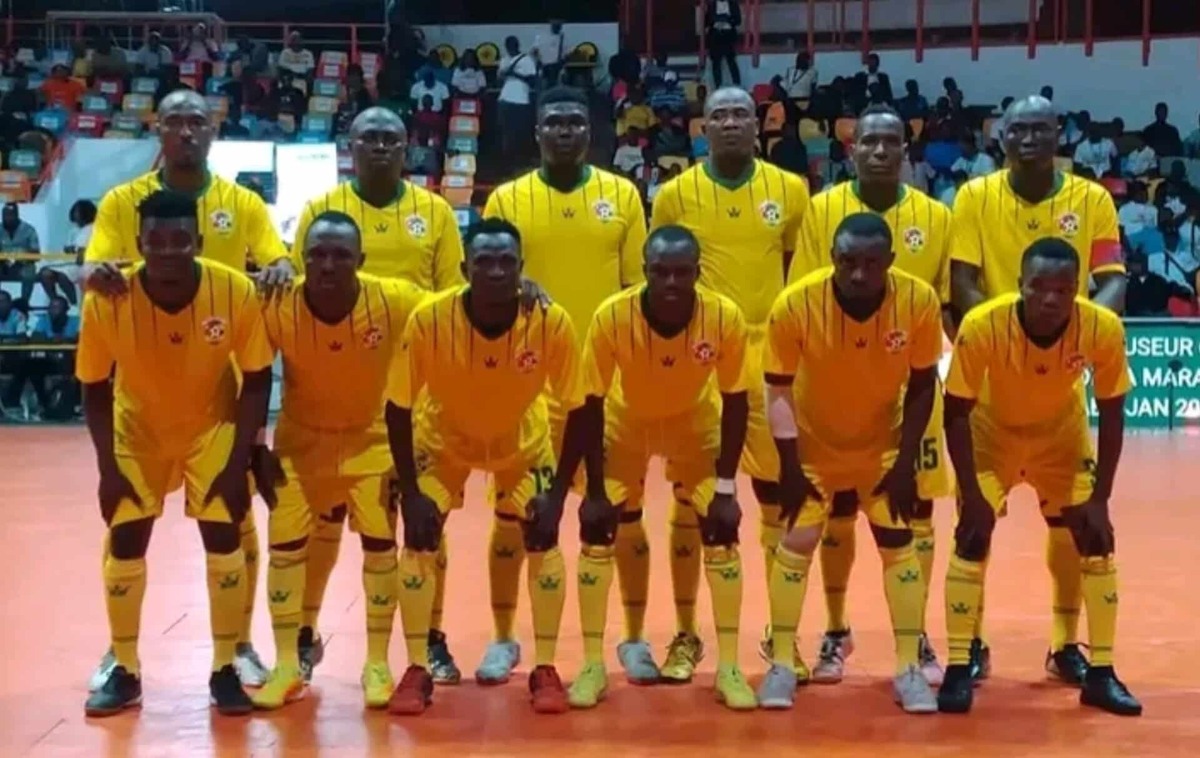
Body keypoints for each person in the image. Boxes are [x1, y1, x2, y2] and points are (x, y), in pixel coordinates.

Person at [82, 89, 294, 693]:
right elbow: (98, 271)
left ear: (212, 129)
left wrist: (280, 266)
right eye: (174, 121)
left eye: (196, 121)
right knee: (127, 527)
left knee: (232, 522)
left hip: (219, 391)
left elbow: (275, 262)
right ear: (158, 127)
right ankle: (121, 657)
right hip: (144, 390)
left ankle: (237, 647)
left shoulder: (241, 206)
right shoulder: (124, 204)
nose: (185, 131)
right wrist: (94, 273)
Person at [949, 94, 1126, 687]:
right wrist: (1011, 343)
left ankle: (1064, 644)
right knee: (975, 523)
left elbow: (1112, 284)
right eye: (1016, 129)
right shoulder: (974, 196)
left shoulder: (1092, 199)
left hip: (1059, 396)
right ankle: (969, 644)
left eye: (1040, 128)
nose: (1028, 138)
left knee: (1072, 525)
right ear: (1001, 137)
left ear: (1059, 135)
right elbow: (963, 285)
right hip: (992, 387)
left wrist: (1068, 336)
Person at [385, 218, 592, 715]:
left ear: (522, 268)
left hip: (521, 445)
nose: (496, 271)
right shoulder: (430, 320)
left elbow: (580, 407)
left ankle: (544, 666)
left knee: (541, 535)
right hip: (445, 443)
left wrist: (560, 493)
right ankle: (416, 667)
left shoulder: (550, 321)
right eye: (484, 262)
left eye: (506, 262)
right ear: (464, 269)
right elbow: (398, 406)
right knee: (419, 536)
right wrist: (410, 492)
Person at [288, 107, 464, 684]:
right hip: (329, 395)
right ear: (351, 146)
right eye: (370, 138)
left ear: (408, 147)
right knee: (322, 524)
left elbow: (450, 304)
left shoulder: (434, 212)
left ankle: (429, 636)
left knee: (421, 524)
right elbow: (295, 297)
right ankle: (304, 634)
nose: (382, 148)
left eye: (392, 139)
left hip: (411, 400)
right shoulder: (322, 212)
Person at [481, 86, 649, 683]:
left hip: (606, 388)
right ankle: (503, 638)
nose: (564, 132)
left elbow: (636, 292)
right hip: (528, 388)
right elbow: (488, 279)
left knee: (621, 516)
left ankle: (631, 639)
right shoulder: (507, 199)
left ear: (591, 132)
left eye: (575, 122)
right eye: (553, 122)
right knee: (514, 516)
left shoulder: (623, 195)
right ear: (537, 134)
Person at [939, 238, 1142, 717]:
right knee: (971, 537)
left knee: (1093, 538)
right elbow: (955, 411)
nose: (1050, 299)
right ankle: (958, 662)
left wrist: (1102, 497)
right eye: (1039, 287)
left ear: (1078, 291)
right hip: (992, 435)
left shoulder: (1102, 327)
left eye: (1063, 289)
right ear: (1019, 285)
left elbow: (1113, 413)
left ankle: (1100, 671)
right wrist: (971, 493)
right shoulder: (983, 324)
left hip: (1061, 438)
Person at [786, 104, 952, 687]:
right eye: (869, 143)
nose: (880, 151)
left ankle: (918, 635)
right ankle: (835, 630)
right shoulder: (822, 210)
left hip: (909, 383)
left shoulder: (935, 215)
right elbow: (808, 298)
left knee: (917, 508)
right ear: (851, 150)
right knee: (837, 509)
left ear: (906, 151)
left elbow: (942, 301)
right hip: (834, 383)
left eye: (891, 142)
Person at [650, 86, 809, 683]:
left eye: (742, 112)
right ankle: (687, 634)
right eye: (719, 114)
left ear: (759, 123)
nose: (731, 122)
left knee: (776, 497)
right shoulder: (674, 195)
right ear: (703, 127)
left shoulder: (790, 191)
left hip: (770, 358)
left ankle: (779, 634)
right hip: (700, 356)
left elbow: (800, 272)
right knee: (693, 502)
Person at [757, 212, 942, 713]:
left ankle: (907, 667)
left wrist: (905, 463)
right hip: (814, 450)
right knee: (795, 544)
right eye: (847, 262)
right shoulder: (795, 304)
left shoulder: (918, 300)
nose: (858, 274)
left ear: (890, 262)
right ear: (831, 259)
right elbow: (777, 389)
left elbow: (924, 383)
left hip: (882, 449)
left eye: (870, 263)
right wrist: (790, 466)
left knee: (899, 544)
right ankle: (780, 663)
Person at [568, 225, 755, 710]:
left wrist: (729, 487)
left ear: (698, 272)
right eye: (659, 271)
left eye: (682, 272)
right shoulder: (613, 316)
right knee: (599, 530)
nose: (671, 281)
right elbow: (589, 402)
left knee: (719, 529)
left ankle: (726, 665)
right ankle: (596, 661)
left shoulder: (723, 317)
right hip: (625, 424)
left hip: (695, 424)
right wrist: (592, 489)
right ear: (645, 271)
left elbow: (736, 402)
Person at [250, 211, 427, 710]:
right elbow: (255, 372)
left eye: (340, 255)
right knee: (284, 550)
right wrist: (254, 446)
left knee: (379, 550)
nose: (327, 264)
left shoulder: (394, 298)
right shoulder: (277, 301)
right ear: (302, 259)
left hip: (371, 444)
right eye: (317, 255)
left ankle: (376, 662)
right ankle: (287, 662)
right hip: (299, 446)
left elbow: (454, 309)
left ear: (361, 260)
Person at [497, 36, 539, 173]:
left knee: (520, 131)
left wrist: (514, 74)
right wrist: (503, 75)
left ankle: (521, 161)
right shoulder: (504, 60)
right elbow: (498, 80)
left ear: (517, 45)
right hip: (504, 98)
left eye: (512, 44)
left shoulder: (526, 60)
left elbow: (533, 81)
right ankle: (506, 163)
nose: (510, 47)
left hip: (521, 99)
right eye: (508, 45)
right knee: (505, 131)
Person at [704, 0, 742, 87]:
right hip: (715, 36)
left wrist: (728, 20)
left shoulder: (733, 4)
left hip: (728, 35)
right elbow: (706, 22)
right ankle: (718, 86)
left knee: (731, 61)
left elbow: (738, 20)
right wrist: (716, 20)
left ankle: (737, 85)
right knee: (716, 62)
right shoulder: (712, 5)